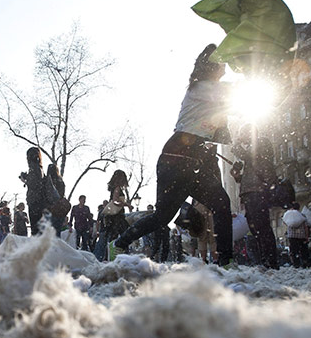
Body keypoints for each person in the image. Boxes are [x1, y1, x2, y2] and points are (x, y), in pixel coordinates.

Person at [110, 44, 233, 265]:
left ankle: (226, 260)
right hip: (175, 159)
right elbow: (234, 92)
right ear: (212, 66)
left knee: (221, 203)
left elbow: (222, 135)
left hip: (192, 161)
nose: (225, 68)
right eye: (222, 63)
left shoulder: (213, 94)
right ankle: (119, 243)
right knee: (162, 217)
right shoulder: (201, 88)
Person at [230, 126, 279, 269]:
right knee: (256, 228)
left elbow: (250, 157)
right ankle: (264, 259)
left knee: (262, 226)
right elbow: (244, 178)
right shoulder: (251, 150)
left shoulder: (261, 142)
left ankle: (271, 261)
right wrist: (236, 173)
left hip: (258, 192)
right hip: (249, 193)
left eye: (242, 134)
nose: (241, 137)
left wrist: (236, 144)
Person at [20, 147, 47, 236]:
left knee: (35, 228)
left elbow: (34, 184)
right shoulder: (40, 168)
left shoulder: (34, 167)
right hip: (40, 201)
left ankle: (37, 248)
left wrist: (25, 179)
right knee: (39, 228)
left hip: (35, 201)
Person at [282, 202, 309, 268]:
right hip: (301, 236)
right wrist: (307, 236)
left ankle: (296, 264)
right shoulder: (302, 215)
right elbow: (306, 227)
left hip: (292, 235)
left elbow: (285, 222)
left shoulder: (288, 215)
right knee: (303, 250)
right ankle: (305, 263)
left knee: (294, 250)